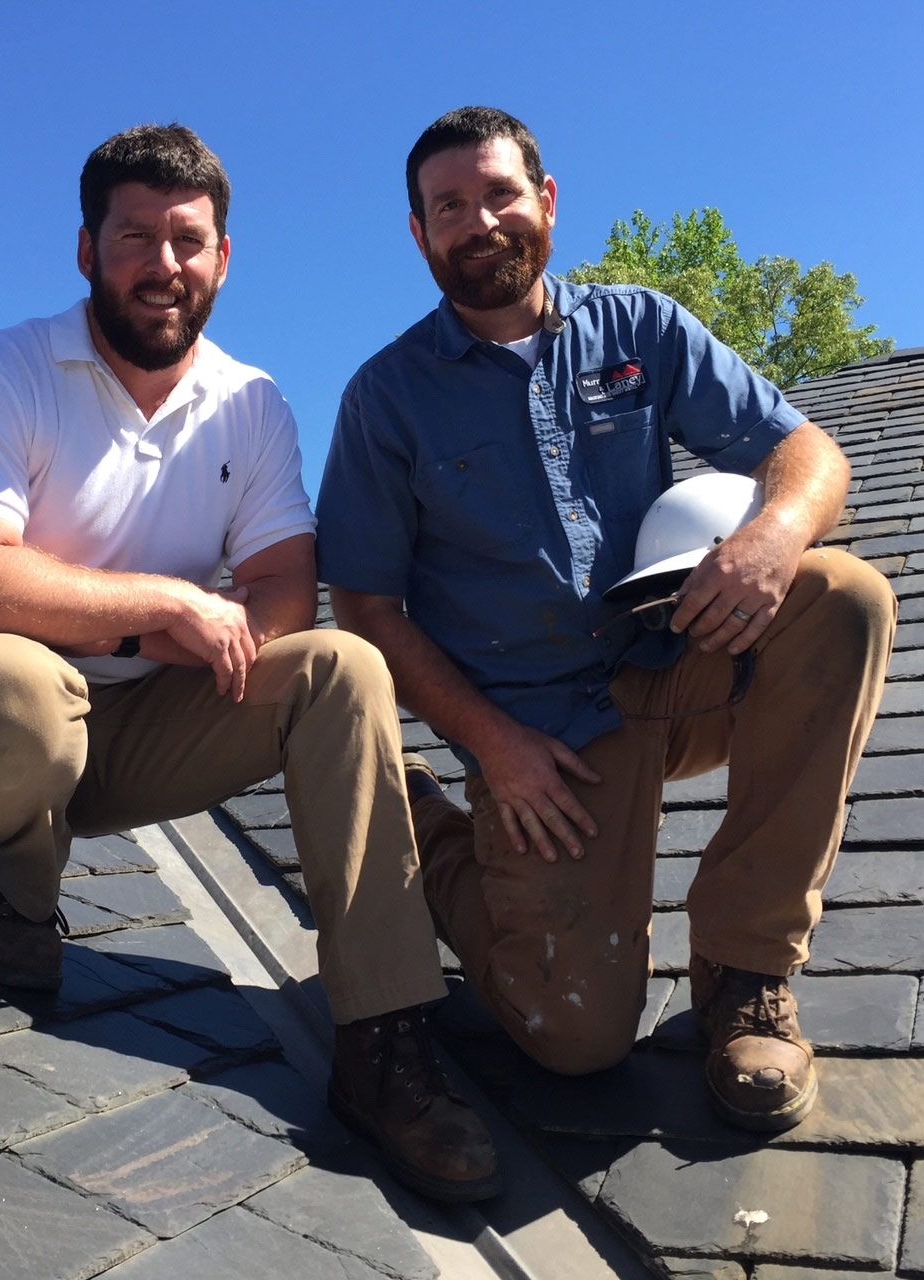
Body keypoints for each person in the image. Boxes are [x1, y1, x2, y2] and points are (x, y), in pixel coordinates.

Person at [0, 123, 498, 1203]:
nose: (163, 264)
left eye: (188, 240)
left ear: (223, 256)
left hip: (141, 732)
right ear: (86, 251)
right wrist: (162, 607)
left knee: (337, 663)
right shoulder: (1, 371)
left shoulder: (250, 405)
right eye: (134, 237)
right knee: (17, 689)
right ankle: (14, 893)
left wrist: (169, 636)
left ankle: (383, 1039)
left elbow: (283, 601)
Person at [315, 106, 897, 1133]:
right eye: (447, 206)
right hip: (541, 736)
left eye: (498, 192)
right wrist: (491, 747)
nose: (477, 219)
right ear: (418, 236)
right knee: (571, 1041)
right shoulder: (385, 398)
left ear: (544, 200)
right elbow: (364, 606)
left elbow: (809, 454)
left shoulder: (639, 329)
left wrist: (770, 536)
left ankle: (744, 966)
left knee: (841, 594)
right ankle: (429, 828)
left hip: (675, 670)